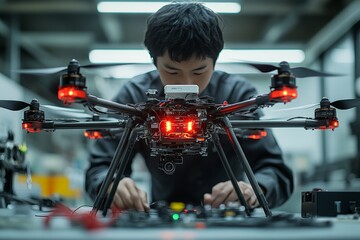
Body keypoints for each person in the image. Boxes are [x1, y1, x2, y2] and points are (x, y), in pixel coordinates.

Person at [85, 2, 294, 212]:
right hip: (160, 217)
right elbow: (101, 166)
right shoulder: (133, 97)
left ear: (215, 61)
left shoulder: (237, 97)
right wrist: (111, 184)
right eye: (172, 71)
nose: (186, 82)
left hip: (228, 216)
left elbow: (274, 170)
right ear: (154, 61)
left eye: (199, 71)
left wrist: (253, 189)